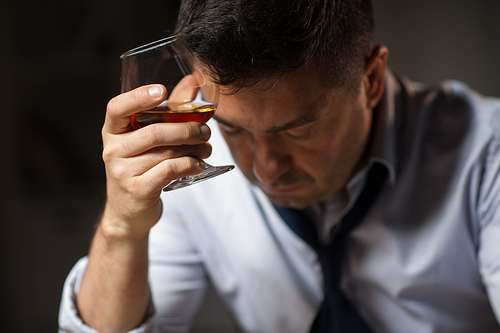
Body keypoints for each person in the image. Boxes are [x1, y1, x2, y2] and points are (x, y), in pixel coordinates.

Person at [59, 0, 500, 332]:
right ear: (196, 83)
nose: (265, 170)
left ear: (370, 80)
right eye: (233, 130)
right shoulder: (188, 157)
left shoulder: (486, 152)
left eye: (297, 130)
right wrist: (122, 225)